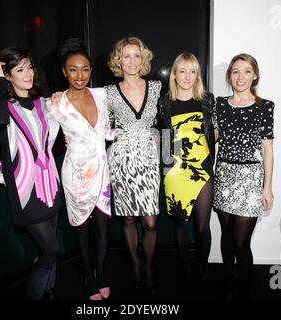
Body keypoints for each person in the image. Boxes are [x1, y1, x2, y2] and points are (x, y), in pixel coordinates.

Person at [0, 47, 62, 300]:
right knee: (50, 250)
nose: (28, 73)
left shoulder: (44, 104)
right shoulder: (3, 106)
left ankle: (49, 290)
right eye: (19, 69)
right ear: (8, 75)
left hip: (50, 185)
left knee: (52, 249)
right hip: (25, 190)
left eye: (29, 67)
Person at [46, 38, 113, 300]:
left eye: (85, 69)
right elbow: (46, 142)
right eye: (73, 69)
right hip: (75, 175)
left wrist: (138, 135)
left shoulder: (101, 95)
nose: (80, 75)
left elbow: (107, 133)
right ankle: (89, 279)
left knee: (103, 229)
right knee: (82, 229)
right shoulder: (56, 103)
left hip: (102, 173)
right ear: (64, 71)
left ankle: (102, 275)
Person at [213, 53, 275, 299]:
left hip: (250, 178)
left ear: (255, 75)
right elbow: (214, 137)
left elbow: (267, 149)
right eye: (236, 71)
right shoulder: (220, 103)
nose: (241, 77)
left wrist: (267, 187)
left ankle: (244, 287)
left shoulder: (265, 106)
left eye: (247, 71)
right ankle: (229, 280)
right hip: (224, 174)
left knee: (241, 242)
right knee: (226, 237)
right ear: (229, 76)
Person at [105, 36, 161, 292]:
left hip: (149, 160)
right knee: (128, 219)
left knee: (150, 222)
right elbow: (101, 127)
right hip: (122, 161)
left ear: (144, 58)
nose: (132, 61)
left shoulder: (158, 88)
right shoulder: (108, 92)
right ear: (118, 60)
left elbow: (167, 124)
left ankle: (150, 264)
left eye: (137, 55)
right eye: (126, 56)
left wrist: (170, 161)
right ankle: (135, 263)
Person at [157, 53, 215, 286]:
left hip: (202, 168)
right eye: (182, 71)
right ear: (174, 74)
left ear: (198, 75)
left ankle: (203, 264)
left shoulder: (207, 100)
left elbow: (213, 133)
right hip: (176, 169)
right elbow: (164, 139)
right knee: (180, 224)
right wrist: (167, 170)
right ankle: (184, 267)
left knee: (202, 227)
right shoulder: (165, 102)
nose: (187, 76)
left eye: (193, 71)